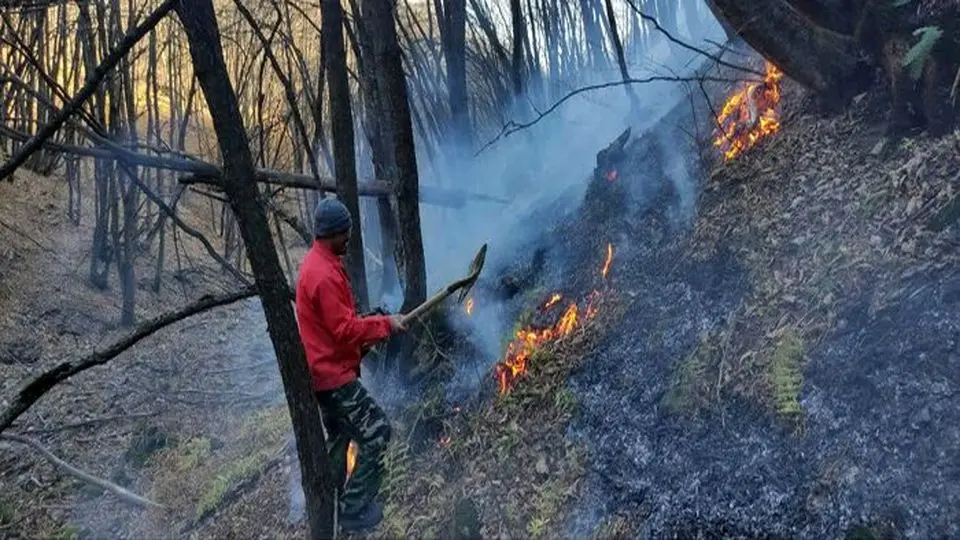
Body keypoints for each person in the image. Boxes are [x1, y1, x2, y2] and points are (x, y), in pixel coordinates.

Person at [295, 197, 407, 532]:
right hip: (332, 378)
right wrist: (385, 325)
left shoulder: (320, 262)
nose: (349, 238)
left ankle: (326, 511)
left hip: (323, 374)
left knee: (341, 437)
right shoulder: (323, 274)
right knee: (378, 433)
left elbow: (339, 324)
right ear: (331, 233)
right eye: (346, 233)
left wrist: (373, 324)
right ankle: (352, 509)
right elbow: (344, 331)